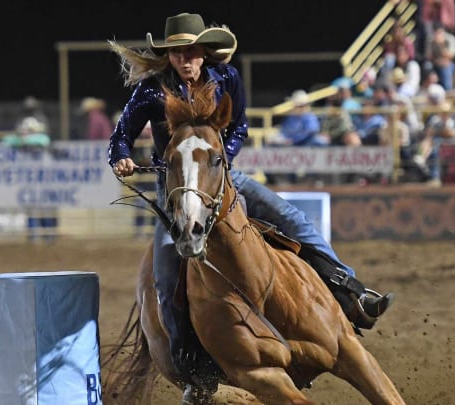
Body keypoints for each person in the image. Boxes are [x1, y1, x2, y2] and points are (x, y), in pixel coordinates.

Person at [108, 12, 393, 380]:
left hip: (224, 177)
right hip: (175, 188)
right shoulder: (150, 91)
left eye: (191, 52)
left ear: (204, 52)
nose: (185, 60)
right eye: (177, 53)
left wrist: (220, 158)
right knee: (164, 274)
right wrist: (122, 157)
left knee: (294, 220)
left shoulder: (226, 78)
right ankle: (186, 355)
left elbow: (239, 125)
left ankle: (351, 292)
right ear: (168, 56)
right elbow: (121, 135)